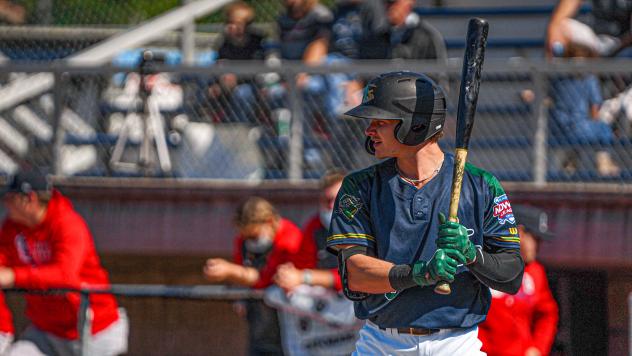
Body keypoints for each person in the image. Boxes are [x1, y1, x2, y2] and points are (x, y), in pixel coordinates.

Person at [326, 71, 525, 355]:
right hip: (382, 343)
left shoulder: (480, 184)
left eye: (380, 122)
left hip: (456, 344)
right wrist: (419, 274)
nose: (369, 130)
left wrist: (472, 255)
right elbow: (355, 274)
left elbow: (512, 276)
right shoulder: (360, 186)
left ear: (415, 125)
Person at [0, 169, 128, 356]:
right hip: (47, 331)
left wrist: (14, 276)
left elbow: (65, 275)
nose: (6, 204)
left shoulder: (67, 223)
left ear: (30, 199)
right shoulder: (12, 228)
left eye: (12, 198)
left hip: (94, 329)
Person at [203, 197, 315, 356]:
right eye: (246, 236)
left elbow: (266, 278)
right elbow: (242, 264)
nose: (249, 241)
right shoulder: (243, 240)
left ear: (269, 222)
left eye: (253, 236)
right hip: (259, 315)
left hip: (287, 315)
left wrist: (230, 271)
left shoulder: (290, 239)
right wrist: (240, 294)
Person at [268, 169, 360, 355]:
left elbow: (359, 276)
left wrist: (306, 277)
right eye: (327, 201)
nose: (332, 206)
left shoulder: (366, 225)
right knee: (276, 294)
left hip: (362, 312)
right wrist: (289, 276)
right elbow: (301, 264)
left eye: (338, 199)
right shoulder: (315, 227)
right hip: (325, 320)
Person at [479, 205, 559, 356]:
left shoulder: (535, 271)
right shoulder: (483, 262)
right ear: (520, 233)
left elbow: (548, 314)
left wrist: (538, 348)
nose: (538, 247)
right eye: (536, 239)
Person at [548, 23, 621, 177]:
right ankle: (604, 164)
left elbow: (549, 98)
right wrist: (595, 123)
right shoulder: (588, 78)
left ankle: (569, 164)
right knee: (603, 129)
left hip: (557, 130)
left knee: (577, 134)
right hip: (578, 128)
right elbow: (595, 108)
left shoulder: (558, 78)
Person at [546, 0, 632, 58]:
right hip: (595, 38)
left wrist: (619, 46)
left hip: (624, 42)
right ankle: (555, 79)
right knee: (559, 28)